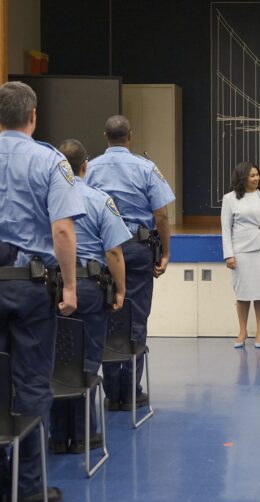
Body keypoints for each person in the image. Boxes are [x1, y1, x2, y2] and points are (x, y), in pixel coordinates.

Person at [0, 81, 85, 502]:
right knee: (32, 384)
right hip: (31, 285)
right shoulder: (49, 161)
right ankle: (28, 487)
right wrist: (69, 286)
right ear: (33, 115)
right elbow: (63, 230)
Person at [85, 115, 175, 411]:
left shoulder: (91, 168)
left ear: (104, 135)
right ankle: (131, 391)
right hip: (137, 249)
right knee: (136, 318)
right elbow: (161, 215)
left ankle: (112, 392)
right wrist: (165, 253)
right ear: (130, 136)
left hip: (104, 250)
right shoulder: (146, 167)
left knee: (110, 314)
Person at [49, 139, 130, 454]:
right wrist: (121, 290)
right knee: (86, 362)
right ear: (86, 166)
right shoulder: (99, 200)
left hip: (55, 287)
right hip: (89, 287)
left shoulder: (47, 199)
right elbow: (113, 251)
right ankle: (85, 435)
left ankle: (58, 437)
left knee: (57, 361)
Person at [220, 162, 260, 348]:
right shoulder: (230, 199)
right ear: (242, 178)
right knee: (243, 293)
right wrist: (228, 255)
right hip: (242, 251)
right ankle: (242, 331)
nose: (256, 178)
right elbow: (226, 229)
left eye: (257, 175)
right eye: (252, 175)